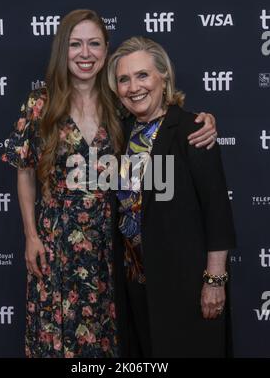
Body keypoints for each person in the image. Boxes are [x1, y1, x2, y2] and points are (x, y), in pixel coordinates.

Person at [2, 9, 218, 358]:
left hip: (114, 249)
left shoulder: (120, 105)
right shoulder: (39, 104)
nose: (84, 54)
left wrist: (204, 120)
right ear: (63, 49)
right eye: (75, 44)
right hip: (57, 247)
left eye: (94, 44)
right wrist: (30, 235)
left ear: (106, 50)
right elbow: (24, 170)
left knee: (112, 343)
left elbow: (163, 121)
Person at [107, 36, 236, 358]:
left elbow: (216, 210)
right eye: (124, 79)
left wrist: (215, 281)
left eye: (142, 75)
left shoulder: (192, 129)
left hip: (187, 285)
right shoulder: (118, 134)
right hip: (135, 285)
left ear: (163, 77)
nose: (133, 87)